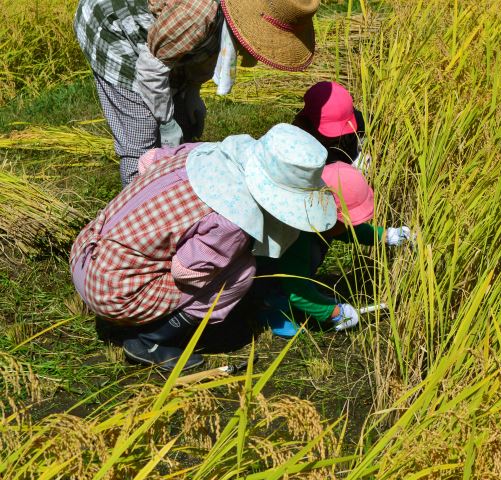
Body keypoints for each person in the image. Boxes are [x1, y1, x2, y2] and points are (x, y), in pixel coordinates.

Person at [69, 124, 337, 371]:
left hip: (86, 252)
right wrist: (232, 257)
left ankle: (146, 310)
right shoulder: (233, 219)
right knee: (242, 271)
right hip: (111, 291)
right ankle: (153, 340)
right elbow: (184, 271)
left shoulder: (207, 154)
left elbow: (148, 161)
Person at [74, 0, 321, 186]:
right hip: (115, 28)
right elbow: (150, 70)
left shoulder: (224, 14)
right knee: (141, 138)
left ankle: (170, 188)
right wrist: (166, 121)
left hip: (160, 41)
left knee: (184, 124)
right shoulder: (199, 12)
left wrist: (190, 92)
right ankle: (133, 219)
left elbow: (199, 48)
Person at [252, 161, 413, 338]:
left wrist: (385, 235)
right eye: (348, 222)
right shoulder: (295, 235)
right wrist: (334, 312)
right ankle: (271, 305)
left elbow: (348, 231)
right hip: (259, 267)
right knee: (291, 273)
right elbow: (297, 289)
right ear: (328, 215)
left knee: (313, 252)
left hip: (290, 259)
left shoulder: (313, 214)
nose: (351, 227)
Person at [293, 81, 367, 168]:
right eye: (333, 132)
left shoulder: (359, 119)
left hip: (349, 157)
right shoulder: (301, 135)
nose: (339, 134)